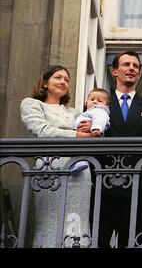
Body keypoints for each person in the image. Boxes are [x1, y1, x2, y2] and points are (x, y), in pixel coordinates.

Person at [20, 65, 97, 247]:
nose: (63, 82)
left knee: (77, 225)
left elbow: (90, 136)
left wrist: (91, 129)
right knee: (49, 224)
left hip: (80, 173)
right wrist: (77, 135)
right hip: (50, 171)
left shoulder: (75, 112)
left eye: (67, 79)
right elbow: (42, 131)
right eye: (58, 77)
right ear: (45, 83)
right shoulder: (32, 104)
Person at [99, 51, 142, 248]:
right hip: (105, 188)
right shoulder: (102, 104)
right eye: (126, 64)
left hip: (139, 190)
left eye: (135, 66)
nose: (131, 68)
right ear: (114, 71)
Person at [71, 87, 110, 173]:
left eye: (100, 101)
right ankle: (77, 163)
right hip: (81, 135)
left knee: (81, 150)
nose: (95, 102)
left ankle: (79, 163)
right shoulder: (88, 112)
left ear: (106, 105)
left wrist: (96, 128)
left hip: (90, 134)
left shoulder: (100, 111)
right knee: (78, 150)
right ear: (86, 102)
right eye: (92, 99)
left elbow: (100, 119)